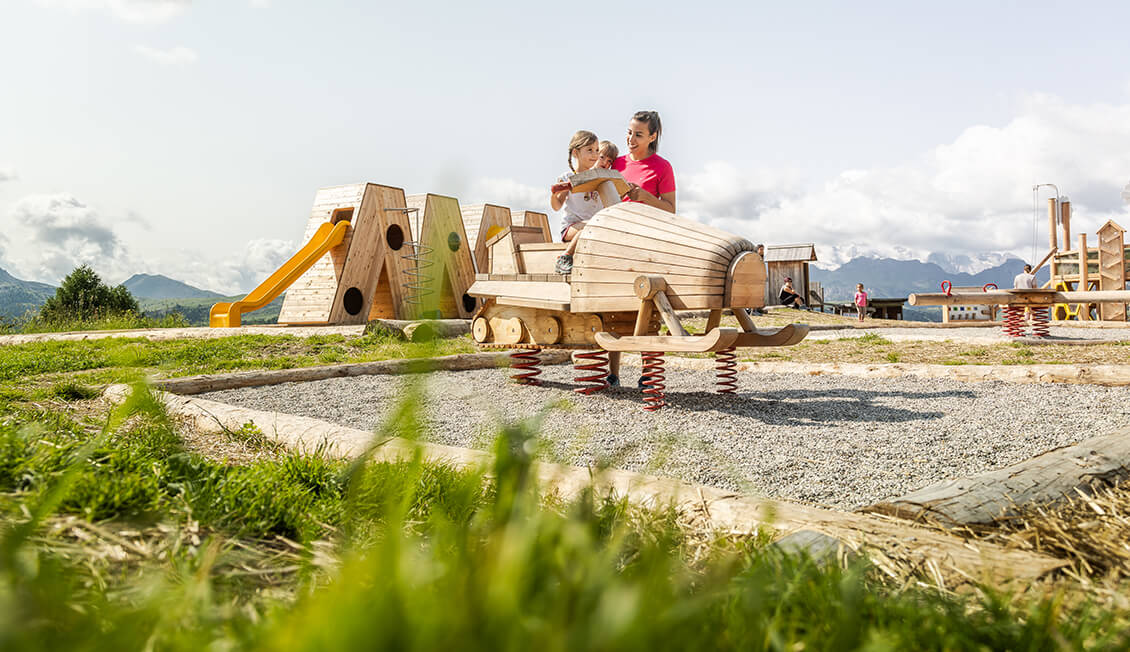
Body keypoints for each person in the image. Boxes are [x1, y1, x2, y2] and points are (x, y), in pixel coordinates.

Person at [550, 130, 603, 275]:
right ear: (575, 153)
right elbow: (556, 206)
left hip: (593, 226)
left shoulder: (598, 177)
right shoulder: (569, 177)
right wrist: (554, 195)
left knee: (600, 226)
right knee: (592, 225)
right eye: (589, 150)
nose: (595, 155)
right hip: (572, 227)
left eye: (597, 150)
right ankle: (565, 257)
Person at [613, 110, 676, 213]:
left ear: (652, 137)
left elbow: (671, 210)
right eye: (630, 133)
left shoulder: (663, 167)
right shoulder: (616, 163)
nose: (631, 139)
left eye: (638, 135)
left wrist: (646, 197)